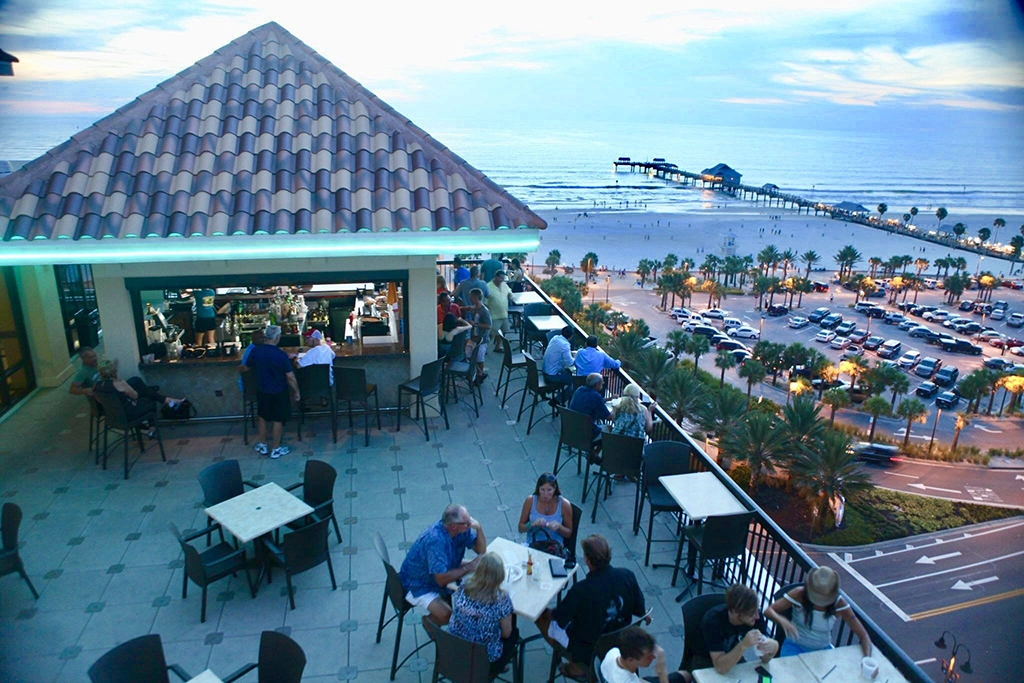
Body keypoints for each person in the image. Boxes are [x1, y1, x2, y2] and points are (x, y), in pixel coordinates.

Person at [540, 534, 649, 681]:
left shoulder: (581, 590)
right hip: (622, 642)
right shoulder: (627, 576)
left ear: (586, 559)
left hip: (589, 649)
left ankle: (576, 665)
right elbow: (640, 609)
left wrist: (543, 612)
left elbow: (560, 618)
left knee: (541, 618)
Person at [398, 504, 487, 625]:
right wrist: (470, 567)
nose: (470, 524)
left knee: (482, 565)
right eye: (467, 522)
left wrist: (479, 528)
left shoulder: (462, 529)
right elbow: (441, 579)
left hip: (442, 568)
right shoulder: (435, 541)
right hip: (418, 583)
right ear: (454, 526)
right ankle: (428, 623)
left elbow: (481, 551)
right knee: (447, 615)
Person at [766, 566, 873, 658]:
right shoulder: (799, 594)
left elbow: (863, 635)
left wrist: (867, 658)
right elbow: (769, 611)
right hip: (795, 646)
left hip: (822, 649)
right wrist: (782, 621)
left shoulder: (839, 603)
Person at [448, 552, 518, 678]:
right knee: (514, 634)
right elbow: (506, 633)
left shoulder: (464, 585)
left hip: (455, 650)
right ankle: (500, 666)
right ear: (500, 576)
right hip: (483, 660)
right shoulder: (501, 599)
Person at [244, 325, 300, 459]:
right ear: (277, 337)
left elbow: (246, 367)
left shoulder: (256, 352)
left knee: (263, 417)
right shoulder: (280, 355)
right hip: (279, 390)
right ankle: (276, 448)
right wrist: (296, 391)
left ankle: (263, 444)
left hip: (262, 389)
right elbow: (290, 376)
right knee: (277, 419)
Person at [702, 584, 779, 674]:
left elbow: (764, 659)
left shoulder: (755, 619)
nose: (757, 617)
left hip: (733, 657)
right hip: (704, 659)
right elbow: (720, 668)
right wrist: (744, 644)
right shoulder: (713, 621)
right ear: (735, 612)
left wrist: (773, 649)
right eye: (751, 614)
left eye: (757, 611)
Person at [93, 359, 184, 424]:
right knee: (149, 398)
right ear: (114, 372)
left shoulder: (96, 386)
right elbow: (135, 396)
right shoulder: (120, 384)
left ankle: (165, 399)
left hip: (113, 417)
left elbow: (100, 401)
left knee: (136, 381)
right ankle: (153, 426)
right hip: (128, 415)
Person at [600, 626, 692, 683]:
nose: (654, 657)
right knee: (685, 676)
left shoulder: (613, 652)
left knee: (684, 676)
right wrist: (662, 673)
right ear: (631, 660)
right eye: (648, 656)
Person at [517, 473, 574, 552]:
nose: (545, 494)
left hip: (554, 548)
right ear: (538, 489)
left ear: (555, 489)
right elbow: (520, 528)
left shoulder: (564, 504)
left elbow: (568, 533)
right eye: (542, 490)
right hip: (533, 545)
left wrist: (559, 527)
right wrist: (532, 524)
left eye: (549, 490)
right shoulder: (530, 501)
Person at [570, 373, 611, 443]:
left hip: (572, 429)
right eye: (602, 382)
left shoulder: (579, 390)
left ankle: (592, 453)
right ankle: (592, 452)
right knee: (610, 428)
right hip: (586, 433)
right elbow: (608, 417)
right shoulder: (595, 396)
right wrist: (615, 410)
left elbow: (594, 401)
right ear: (597, 384)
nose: (603, 384)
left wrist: (609, 398)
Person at [463, 288, 491, 383]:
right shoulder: (474, 308)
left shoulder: (484, 311)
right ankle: (479, 373)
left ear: (475, 297)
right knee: (468, 354)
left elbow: (488, 325)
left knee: (479, 358)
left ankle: (479, 376)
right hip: (473, 337)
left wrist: (476, 324)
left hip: (481, 339)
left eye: (471, 296)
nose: (469, 298)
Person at [542, 326, 575, 402]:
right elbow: (570, 363)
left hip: (545, 370)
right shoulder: (565, 345)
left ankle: (546, 390)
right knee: (575, 381)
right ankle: (557, 400)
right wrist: (577, 359)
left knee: (567, 373)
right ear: (571, 337)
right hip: (552, 375)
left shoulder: (555, 338)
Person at [485, 270, 514, 353]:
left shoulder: (504, 285)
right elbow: (485, 302)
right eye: (500, 278)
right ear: (496, 277)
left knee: (503, 332)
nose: (502, 280)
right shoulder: (488, 287)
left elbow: (509, 292)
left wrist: (511, 295)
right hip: (494, 315)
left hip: (504, 314)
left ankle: (498, 346)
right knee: (491, 333)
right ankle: (484, 348)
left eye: (503, 278)